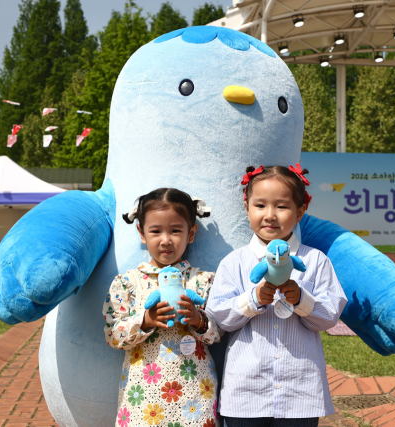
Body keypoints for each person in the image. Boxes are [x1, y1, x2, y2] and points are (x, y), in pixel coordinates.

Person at [206, 165, 348, 427]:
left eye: (281, 207)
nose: (270, 215)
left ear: (300, 212)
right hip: (246, 393)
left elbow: (329, 316)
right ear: (247, 207)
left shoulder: (315, 261)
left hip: (300, 394)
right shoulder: (234, 262)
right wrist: (254, 299)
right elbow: (220, 316)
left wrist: (302, 300)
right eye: (260, 205)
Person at [103, 188, 222, 427]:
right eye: (156, 231)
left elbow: (220, 331)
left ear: (191, 233)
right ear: (141, 232)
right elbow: (113, 336)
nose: (166, 240)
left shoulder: (204, 281)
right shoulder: (126, 283)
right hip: (142, 397)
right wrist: (145, 320)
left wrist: (199, 320)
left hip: (195, 394)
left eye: (176, 230)